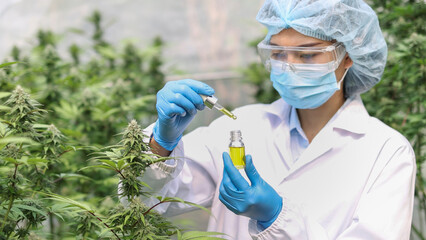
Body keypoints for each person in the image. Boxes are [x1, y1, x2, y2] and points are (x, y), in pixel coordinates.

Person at [138, 0, 416, 239]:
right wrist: (161, 144)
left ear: (347, 57)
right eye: (278, 54)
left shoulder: (386, 151)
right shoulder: (238, 127)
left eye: (307, 54)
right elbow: (151, 198)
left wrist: (276, 218)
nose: (289, 66)